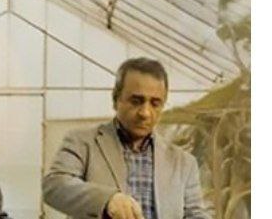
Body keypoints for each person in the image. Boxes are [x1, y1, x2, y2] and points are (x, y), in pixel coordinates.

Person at [42, 57, 210, 219]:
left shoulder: (183, 163)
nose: (145, 113)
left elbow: (195, 214)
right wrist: (107, 200)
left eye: (155, 103)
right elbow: (54, 186)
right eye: (136, 101)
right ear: (116, 100)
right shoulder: (83, 142)